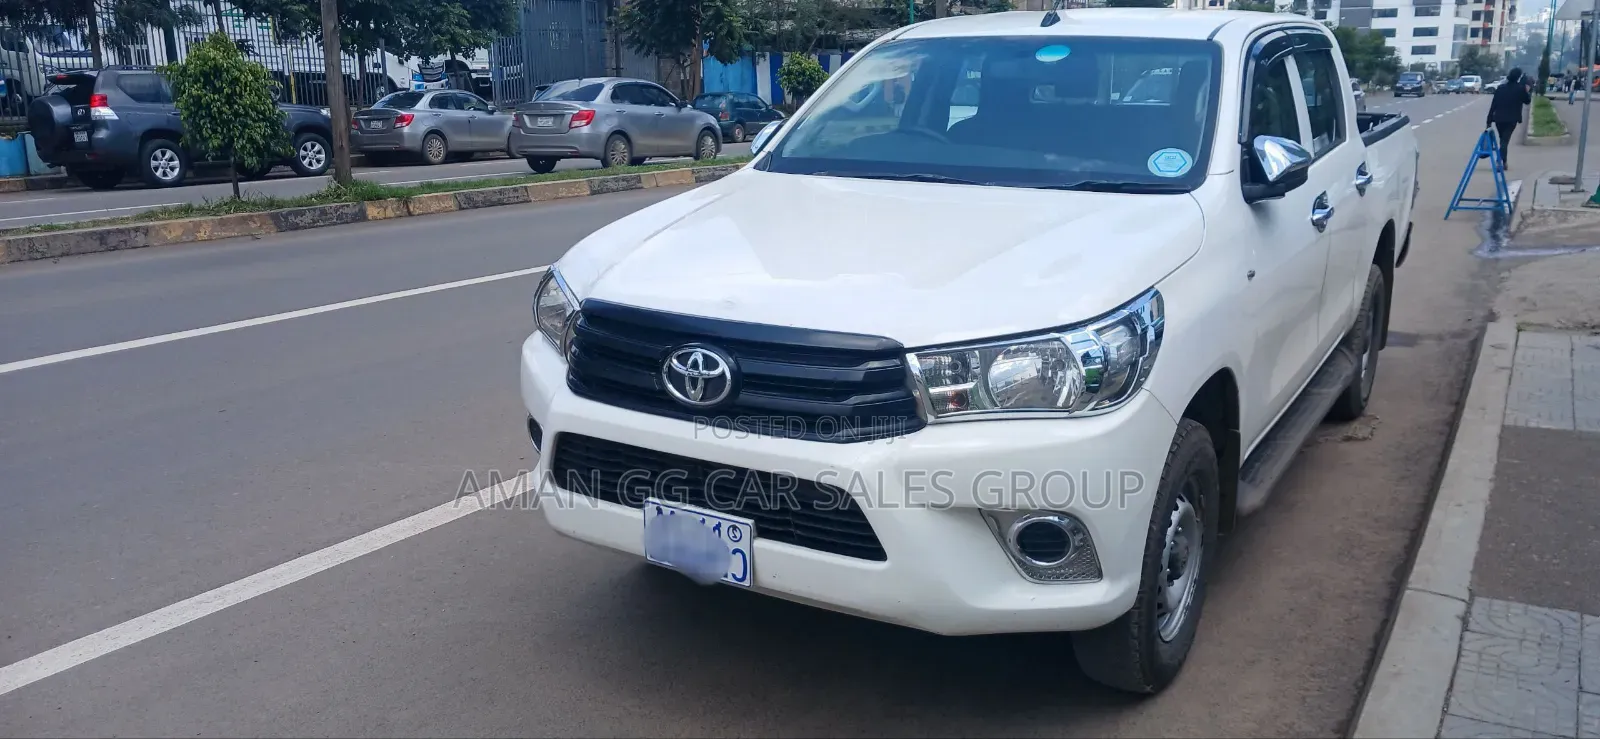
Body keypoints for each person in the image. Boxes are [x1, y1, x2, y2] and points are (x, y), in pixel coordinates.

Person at [1487, 67, 1533, 169]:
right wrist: (1527, 91)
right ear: (1518, 77)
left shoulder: (1500, 88)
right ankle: (1500, 161)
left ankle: (1504, 162)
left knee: (1503, 140)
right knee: (1504, 141)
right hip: (1511, 119)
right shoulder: (1520, 88)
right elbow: (1527, 101)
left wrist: (1489, 120)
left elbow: (1493, 104)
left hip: (1499, 119)